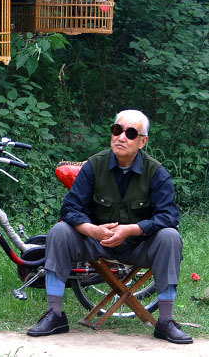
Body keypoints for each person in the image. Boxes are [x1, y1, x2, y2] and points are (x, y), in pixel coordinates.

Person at [27, 109, 192, 344]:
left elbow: (169, 216)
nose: (121, 137)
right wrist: (92, 230)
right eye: (117, 130)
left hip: (138, 245)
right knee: (59, 232)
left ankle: (165, 321)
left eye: (131, 133)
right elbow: (70, 209)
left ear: (143, 141)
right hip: (96, 242)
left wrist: (132, 229)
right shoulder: (94, 165)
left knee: (169, 236)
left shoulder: (156, 173)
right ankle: (55, 315)